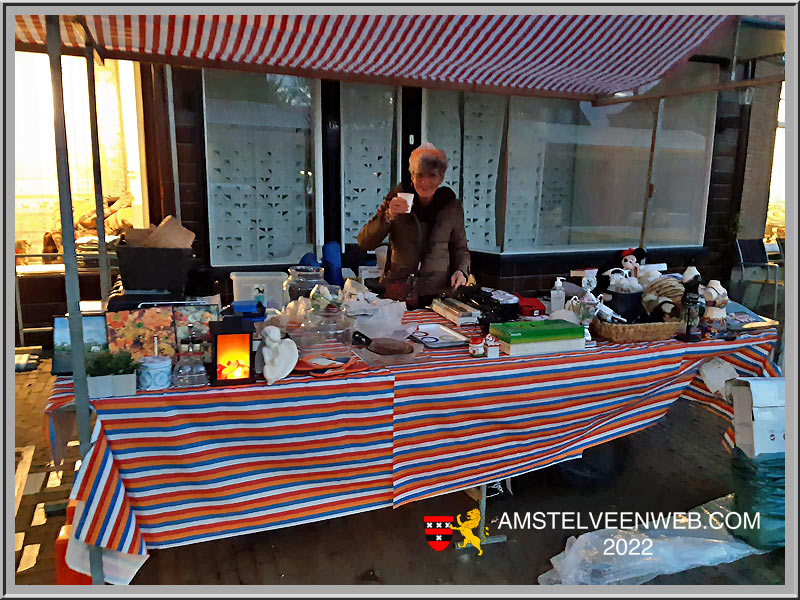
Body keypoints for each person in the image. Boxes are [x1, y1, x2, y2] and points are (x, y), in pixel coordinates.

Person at [357, 143, 470, 307]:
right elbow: (364, 242)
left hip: (437, 293)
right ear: (412, 175)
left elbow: (460, 247)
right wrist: (388, 215)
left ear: (441, 179)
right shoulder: (395, 200)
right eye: (420, 175)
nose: (425, 182)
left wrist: (461, 271)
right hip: (398, 291)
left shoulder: (451, 207)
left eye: (432, 175)